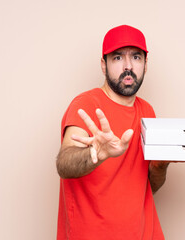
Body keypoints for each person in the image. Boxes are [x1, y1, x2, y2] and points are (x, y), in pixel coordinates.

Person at [56, 25, 170, 240]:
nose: (128, 66)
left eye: (136, 57)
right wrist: (96, 155)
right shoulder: (86, 104)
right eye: (118, 58)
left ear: (145, 64)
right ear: (103, 64)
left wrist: (161, 165)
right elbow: (64, 163)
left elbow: (148, 187)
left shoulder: (148, 111)